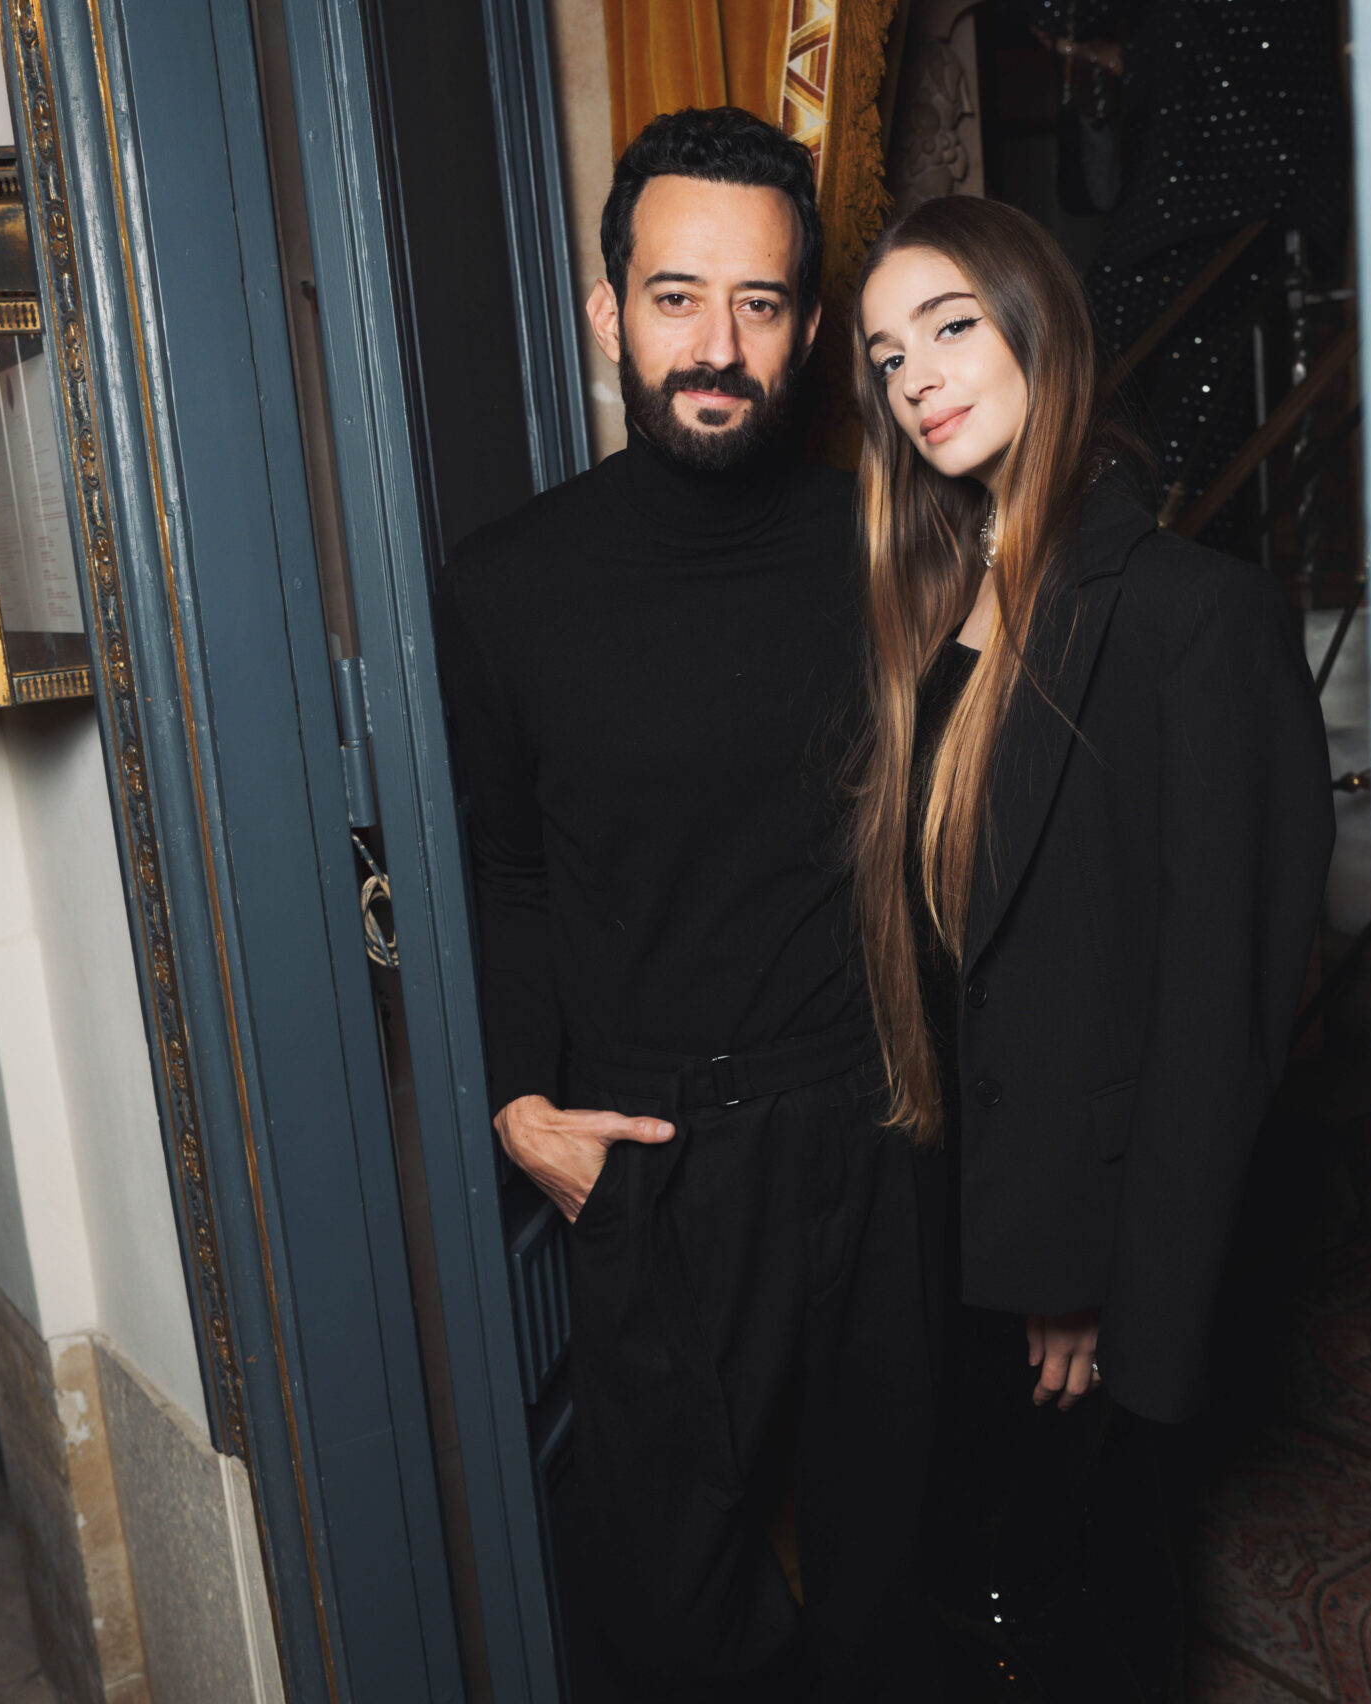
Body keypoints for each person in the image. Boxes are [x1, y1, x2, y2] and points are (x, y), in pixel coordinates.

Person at [433, 108, 940, 1703]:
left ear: (807, 329)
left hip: (874, 1133)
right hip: (650, 1157)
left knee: (897, 1586)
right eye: (675, 297)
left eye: (759, 303)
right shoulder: (506, 583)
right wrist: (517, 1098)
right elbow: (505, 868)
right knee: (671, 1616)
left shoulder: (888, 545)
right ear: (609, 313)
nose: (716, 346)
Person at [849, 195, 1334, 1700]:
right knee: (958, 1598)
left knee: (1082, 1622)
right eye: (886, 356)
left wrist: (1102, 1277)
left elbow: (1218, 1008)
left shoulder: (1194, 615)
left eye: (950, 326)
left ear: (1038, 330)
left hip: (1075, 1262)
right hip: (943, 1222)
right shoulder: (929, 615)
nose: (916, 377)